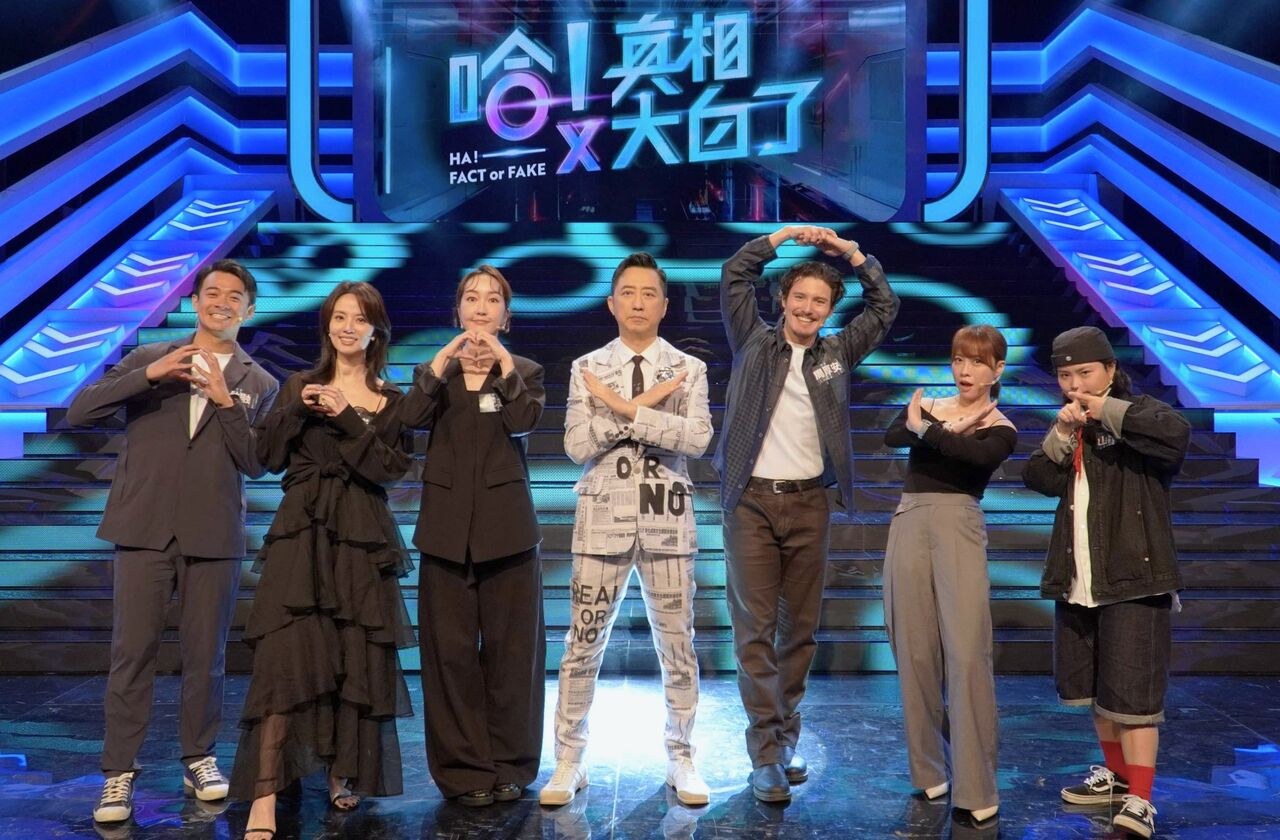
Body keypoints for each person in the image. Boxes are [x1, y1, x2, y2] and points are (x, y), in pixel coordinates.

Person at [67, 259, 279, 824]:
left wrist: (225, 401)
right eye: (212, 293)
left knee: (206, 657)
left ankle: (199, 758)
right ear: (195, 302)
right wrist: (151, 375)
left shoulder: (260, 383)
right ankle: (118, 773)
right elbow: (80, 409)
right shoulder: (151, 358)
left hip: (214, 533)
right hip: (144, 527)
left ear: (249, 310)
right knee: (131, 654)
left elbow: (257, 462)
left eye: (234, 296)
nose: (222, 302)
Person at [715, 225, 898, 802]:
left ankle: (783, 741)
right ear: (784, 299)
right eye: (801, 297)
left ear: (829, 309)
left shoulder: (836, 354)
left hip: (810, 502)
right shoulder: (753, 340)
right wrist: (781, 238)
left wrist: (850, 253)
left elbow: (884, 306)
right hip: (751, 502)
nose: (809, 308)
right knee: (754, 632)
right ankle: (765, 754)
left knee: (799, 633)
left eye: (820, 301)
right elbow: (734, 274)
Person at [230, 282, 415, 839]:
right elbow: (265, 457)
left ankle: (341, 771)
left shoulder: (391, 398)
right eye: (339, 317)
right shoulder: (298, 385)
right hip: (302, 534)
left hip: (361, 537)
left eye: (359, 319)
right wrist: (297, 409)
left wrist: (347, 417)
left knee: (352, 656)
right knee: (284, 662)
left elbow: (389, 470)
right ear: (327, 325)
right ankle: (264, 795)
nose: (347, 327)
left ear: (376, 330)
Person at [540, 253, 714, 808]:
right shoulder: (586, 367)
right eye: (629, 293)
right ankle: (569, 759)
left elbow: (698, 439)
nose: (638, 302)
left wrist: (621, 410)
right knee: (582, 645)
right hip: (600, 524)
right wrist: (640, 407)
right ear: (612, 303)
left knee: (678, 647)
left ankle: (682, 756)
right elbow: (576, 445)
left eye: (649, 293)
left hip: (668, 521)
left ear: (664, 305)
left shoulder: (688, 368)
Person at [1023, 326, 1190, 839]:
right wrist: (1061, 432)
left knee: (1134, 699)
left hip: (1135, 578)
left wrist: (1104, 410)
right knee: (1098, 692)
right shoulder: (1073, 426)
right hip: (1080, 580)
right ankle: (1117, 777)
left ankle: (1141, 798)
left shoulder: (1139, 414)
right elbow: (1038, 478)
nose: (1075, 385)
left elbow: (1175, 435)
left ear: (1111, 370)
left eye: (1085, 373)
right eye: (1065, 376)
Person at [400, 264, 546, 807]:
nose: (481, 307)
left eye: (492, 300)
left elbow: (524, 420)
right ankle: (463, 771)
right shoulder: (433, 374)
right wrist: (442, 360)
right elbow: (410, 417)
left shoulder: (524, 371)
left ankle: (511, 764)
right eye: (471, 298)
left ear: (506, 316)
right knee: (450, 658)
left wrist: (503, 364)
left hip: (509, 534)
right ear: (457, 310)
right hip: (445, 534)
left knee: (513, 657)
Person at [882, 324, 1016, 826]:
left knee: (965, 654)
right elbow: (893, 434)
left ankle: (977, 785)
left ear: (997, 370)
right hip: (910, 519)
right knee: (912, 649)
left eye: (978, 362)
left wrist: (930, 431)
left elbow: (976, 456)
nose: (965, 370)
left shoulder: (1001, 425)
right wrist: (932, 429)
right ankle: (929, 768)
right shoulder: (932, 404)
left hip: (958, 525)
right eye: (959, 359)